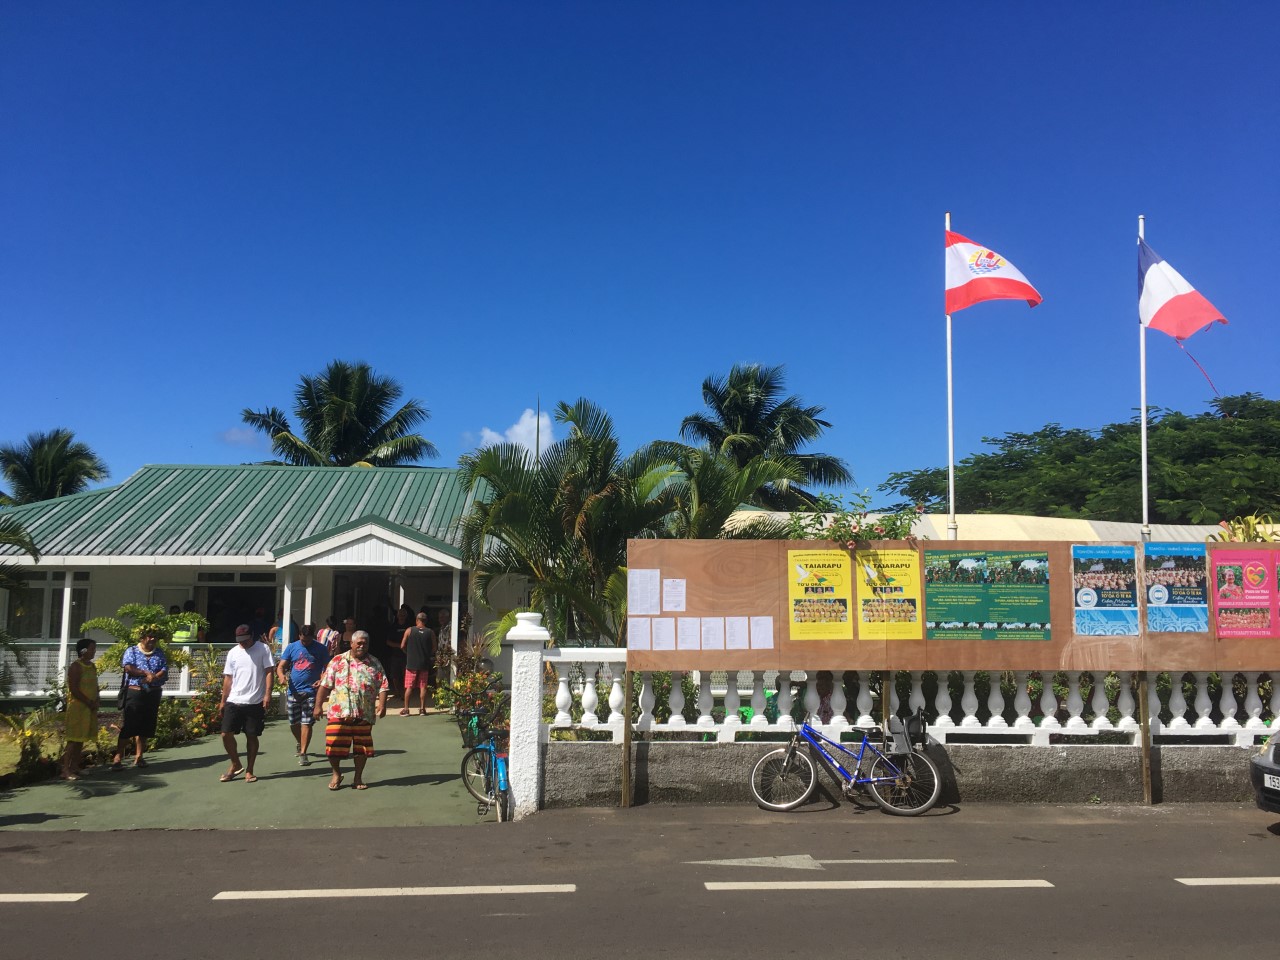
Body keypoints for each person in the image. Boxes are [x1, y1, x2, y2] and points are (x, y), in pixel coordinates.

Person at [313, 630, 388, 791]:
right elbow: (325, 685)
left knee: (361, 748)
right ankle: (336, 774)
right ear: (351, 643)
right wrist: (318, 706)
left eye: (365, 643)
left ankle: (357, 778)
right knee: (333, 746)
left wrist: (382, 705)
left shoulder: (374, 663)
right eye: (358, 643)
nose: (361, 646)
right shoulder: (338, 660)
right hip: (339, 712)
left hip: (364, 713)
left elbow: (383, 685)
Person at [219, 623, 275, 783]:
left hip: (254, 702)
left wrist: (267, 694)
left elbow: (269, 672)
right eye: (240, 640)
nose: (242, 643)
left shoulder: (263, 649)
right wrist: (223, 701)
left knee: (251, 735)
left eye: (245, 639)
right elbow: (228, 678)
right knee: (225, 734)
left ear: (252, 636)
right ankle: (235, 764)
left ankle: (249, 770)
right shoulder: (233, 653)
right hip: (234, 700)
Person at [112, 629, 168, 770]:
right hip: (135, 693)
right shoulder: (131, 651)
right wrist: (146, 673)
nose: (153, 639)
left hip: (153, 693)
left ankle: (139, 757)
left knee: (146, 725)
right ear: (142, 638)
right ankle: (117, 758)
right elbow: (129, 668)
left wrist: (154, 677)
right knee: (129, 725)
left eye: (155, 637)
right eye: (150, 636)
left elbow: (164, 669)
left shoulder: (159, 652)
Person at [277, 623, 330, 765]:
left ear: (313, 637)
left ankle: (303, 753)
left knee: (307, 723)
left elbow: (328, 668)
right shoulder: (292, 647)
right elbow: (281, 666)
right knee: (294, 723)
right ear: (299, 635)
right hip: (293, 691)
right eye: (303, 640)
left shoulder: (321, 649)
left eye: (308, 640)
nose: (305, 642)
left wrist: (322, 679)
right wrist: (281, 676)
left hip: (311, 691)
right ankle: (300, 742)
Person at [60, 638, 99, 780]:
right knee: (73, 739)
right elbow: (74, 688)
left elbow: (95, 685)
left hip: (89, 708)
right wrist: (87, 701)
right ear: (83, 650)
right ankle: (65, 770)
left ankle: (75, 767)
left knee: (81, 738)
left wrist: (97, 700)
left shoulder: (92, 666)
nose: (94, 651)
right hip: (78, 708)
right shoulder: (76, 667)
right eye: (91, 649)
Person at [400, 612, 435, 716]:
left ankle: (406, 709)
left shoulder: (409, 630)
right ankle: (422, 709)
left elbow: (402, 645)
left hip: (411, 664)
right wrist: (427, 655)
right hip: (424, 663)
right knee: (423, 687)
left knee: (409, 687)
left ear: (416, 620)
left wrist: (408, 653)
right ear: (426, 621)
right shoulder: (430, 632)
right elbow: (434, 648)